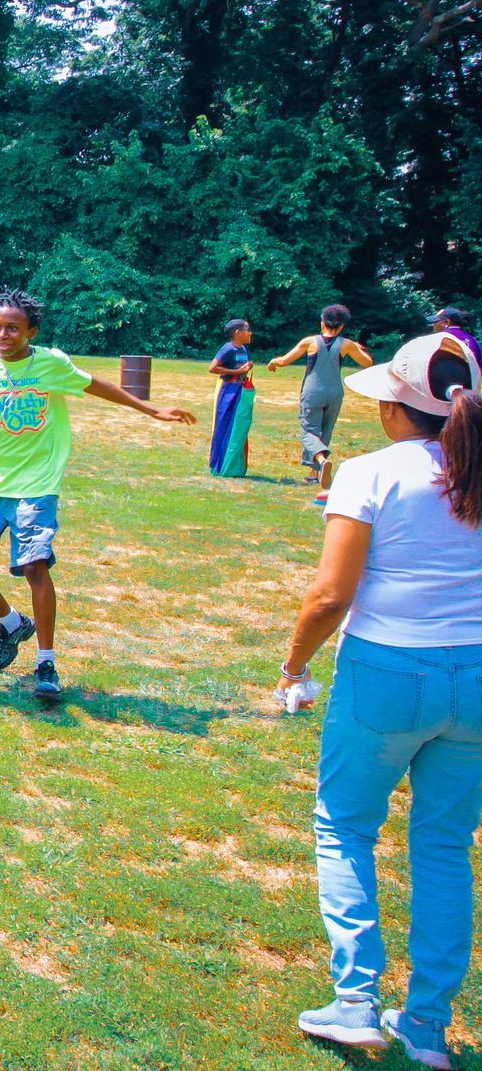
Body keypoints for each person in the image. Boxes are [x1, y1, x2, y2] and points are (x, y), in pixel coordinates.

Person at [277, 334, 482, 1068]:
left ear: (399, 407)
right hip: (477, 677)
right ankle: (426, 1026)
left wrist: (293, 667)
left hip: (387, 671)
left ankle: (356, 999)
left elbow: (330, 596)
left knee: (344, 825)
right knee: (445, 846)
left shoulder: (371, 472)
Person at [0, 289, 195, 703]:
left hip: (38, 485)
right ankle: (12, 623)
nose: (3, 335)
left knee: (35, 566)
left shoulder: (51, 363)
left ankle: (46, 664)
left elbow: (96, 385)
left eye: (13, 328)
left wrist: (150, 409)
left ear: (31, 331)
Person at [268, 305, 373, 488]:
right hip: (335, 393)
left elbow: (284, 361)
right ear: (341, 326)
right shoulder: (347, 344)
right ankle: (314, 474)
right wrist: (357, 348)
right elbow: (368, 363)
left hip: (313, 392)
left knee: (309, 431)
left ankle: (322, 461)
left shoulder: (310, 342)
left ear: (322, 323)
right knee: (326, 430)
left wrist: (273, 361)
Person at [208, 318, 255, 478]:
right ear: (238, 332)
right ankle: (220, 466)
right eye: (247, 330)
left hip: (240, 391)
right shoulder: (228, 349)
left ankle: (234, 467)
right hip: (228, 391)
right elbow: (213, 368)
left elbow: (241, 368)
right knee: (223, 425)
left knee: (238, 427)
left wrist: (247, 368)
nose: (250, 333)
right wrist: (237, 372)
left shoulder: (244, 349)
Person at [428, 306, 481, 371]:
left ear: (446, 323)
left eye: (436, 322)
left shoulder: (440, 339)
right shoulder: (472, 339)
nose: (433, 325)